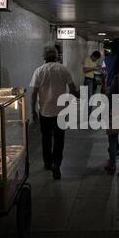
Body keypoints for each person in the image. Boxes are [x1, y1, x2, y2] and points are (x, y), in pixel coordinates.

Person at [30, 46, 78, 180]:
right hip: (61, 112)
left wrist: (33, 110)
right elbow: (73, 89)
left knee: (46, 138)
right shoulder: (63, 69)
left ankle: (47, 162)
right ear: (56, 56)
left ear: (44, 56)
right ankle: (57, 164)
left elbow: (33, 93)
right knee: (59, 139)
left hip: (44, 111)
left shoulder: (39, 71)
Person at [83, 51, 102, 115]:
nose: (96, 60)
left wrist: (101, 70)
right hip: (88, 80)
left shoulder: (94, 62)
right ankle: (87, 114)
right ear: (93, 56)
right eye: (96, 58)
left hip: (94, 80)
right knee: (89, 97)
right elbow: (85, 70)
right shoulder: (87, 59)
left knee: (92, 97)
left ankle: (89, 113)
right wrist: (94, 68)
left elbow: (95, 69)